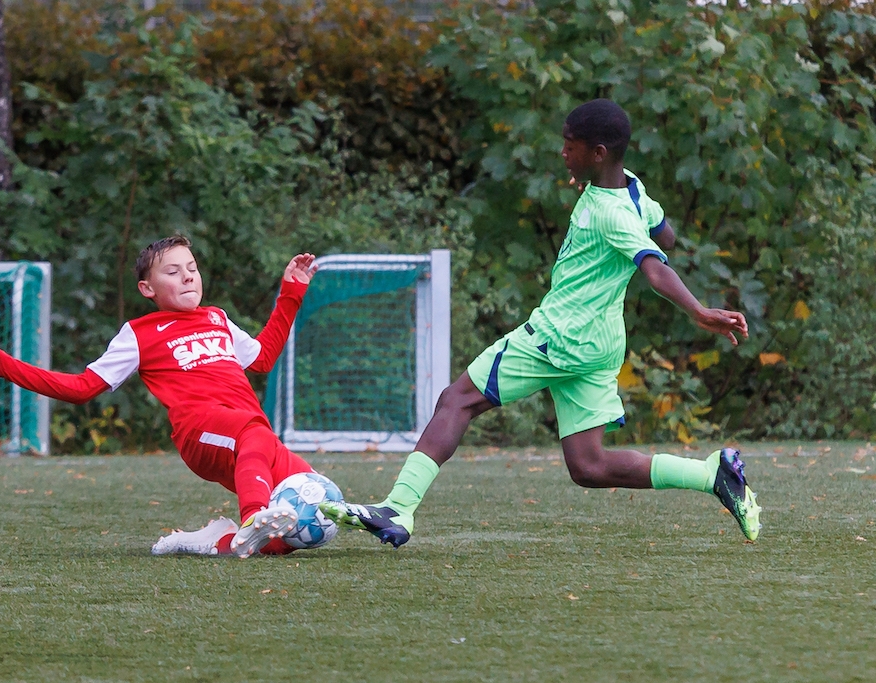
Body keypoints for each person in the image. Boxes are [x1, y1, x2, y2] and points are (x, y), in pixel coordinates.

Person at [321, 99, 761, 547]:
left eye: (572, 147)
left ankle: (398, 508)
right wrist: (623, 212)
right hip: (599, 344)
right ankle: (712, 474)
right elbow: (666, 236)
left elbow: (655, 268)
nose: (563, 154)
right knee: (588, 466)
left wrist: (699, 311)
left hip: (558, 335)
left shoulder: (611, 212)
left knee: (457, 400)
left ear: (599, 153)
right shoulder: (631, 188)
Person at [0, 235, 318, 558]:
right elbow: (82, 388)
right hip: (200, 431)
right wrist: (6, 366)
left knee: (308, 502)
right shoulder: (138, 333)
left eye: (192, 268)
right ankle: (253, 516)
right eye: (173, 272)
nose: (188, 277)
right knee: (254, 436)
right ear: (147, 288)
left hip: (249, 436)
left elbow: (262, 358)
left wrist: (292, 290)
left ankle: (212, 541)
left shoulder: (217, 318)